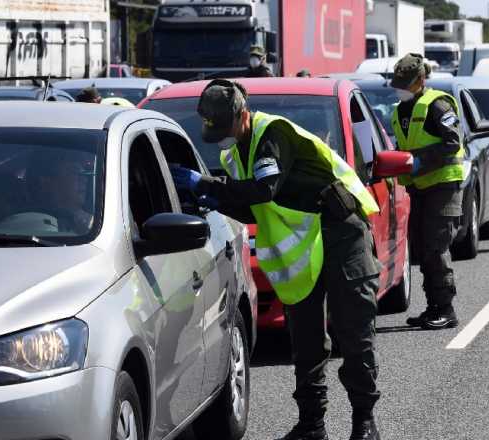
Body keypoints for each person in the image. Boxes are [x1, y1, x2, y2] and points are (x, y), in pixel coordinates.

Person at [170, 79, 382, 440]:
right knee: (306, 338)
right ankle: (312, 425)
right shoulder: (234, 152)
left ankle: (364, 422)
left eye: (224, 127)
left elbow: (264, 189)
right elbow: (250, 203)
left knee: (353, 332)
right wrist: (214, 200)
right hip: (302, 244)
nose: (220, 136)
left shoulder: (272, 135)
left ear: (242, 115)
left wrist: (205, 185)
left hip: (340, 232)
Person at [388, 53, 464, 330]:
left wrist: (419, 160)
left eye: (405, 83)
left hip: (443, 186)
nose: (400, 87)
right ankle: (433, 306)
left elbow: (452, 142)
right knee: (421, 249)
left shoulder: (438, 105)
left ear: (420, 80)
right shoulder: (399, 111)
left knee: (435, 248)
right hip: (419, 188)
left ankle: (446, 308)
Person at [26, 149, 93, 234]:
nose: (84, 179)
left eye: (83, 173)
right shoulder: (28, 222)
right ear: (46, 181)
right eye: (74, 171)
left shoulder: (97, 223)